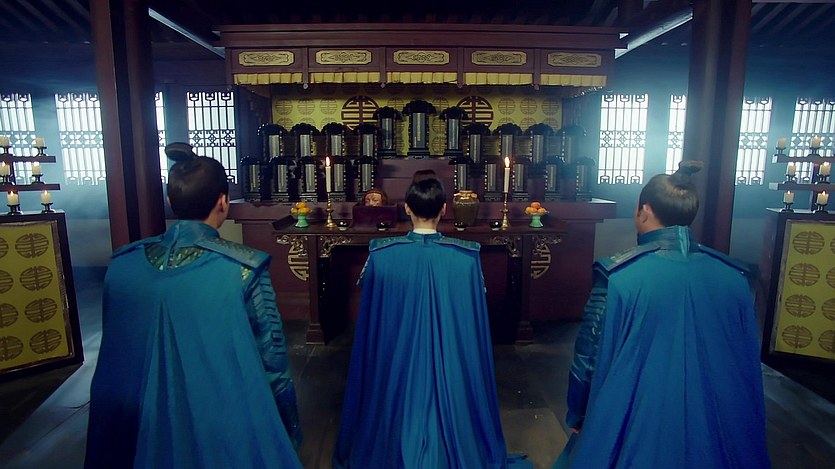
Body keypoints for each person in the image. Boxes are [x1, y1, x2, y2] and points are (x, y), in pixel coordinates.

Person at [85, 144, 302, 469]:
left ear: (170, 201)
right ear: (223, 202)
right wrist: (287, 427)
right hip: (217, 420)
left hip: (132, 418)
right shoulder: (242, 269)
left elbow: (115, 355)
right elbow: (272, 362)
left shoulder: (123, 264)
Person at [555, 161, 770, 468]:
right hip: (720, 418)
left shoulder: (618, 276)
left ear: (644, 210)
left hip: (639, 417)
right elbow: (746, 360)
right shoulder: (734, 277)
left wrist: (578, 410)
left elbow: (588, 356)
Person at [334, 176, 530, 469]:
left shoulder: (382, 255)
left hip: (396, 358)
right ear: (444, 209)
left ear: (407, 209)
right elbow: (472, 327)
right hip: (451, 358)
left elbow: (372, 325)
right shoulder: (465, 258)